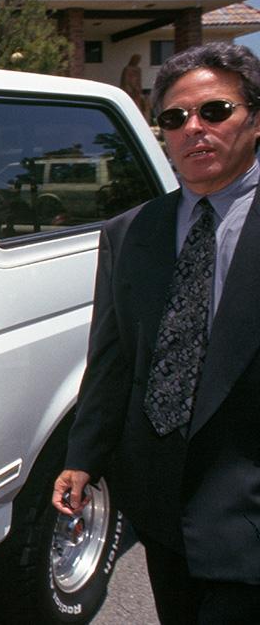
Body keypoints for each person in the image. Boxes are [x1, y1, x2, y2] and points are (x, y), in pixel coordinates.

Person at [53, 42, 260, 623]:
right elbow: (113, 357)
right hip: (164, 510)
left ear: (255, 118)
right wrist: (83, 457)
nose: (194, 128)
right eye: (175, 118)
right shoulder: (131, 233)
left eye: (215, 111)